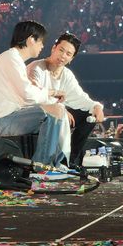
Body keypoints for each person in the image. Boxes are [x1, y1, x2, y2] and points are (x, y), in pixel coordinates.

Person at [0, 20, 70, 170]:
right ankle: (42, 166)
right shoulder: (11, 59)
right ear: (30, 39)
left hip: (8, 117)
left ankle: (53, 163)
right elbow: (27, 94)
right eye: (41, 42)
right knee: (56, 111)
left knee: (57, 109)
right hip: (3, 121)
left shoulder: (13, 59)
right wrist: (51, 94)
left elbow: (27, 95)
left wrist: (51, 97)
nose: (42, 47)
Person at [27, 32, 105, 166]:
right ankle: (52, 162)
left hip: (58, 114)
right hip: (35, 115)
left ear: (72, 59)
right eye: (61, 50)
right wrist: (60, 109)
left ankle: (70, 161)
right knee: (59, 113)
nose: (63, 56)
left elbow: (80, 97)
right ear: (53, 48)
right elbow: (33, 97)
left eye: (68, 54)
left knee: (89, 115)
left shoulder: (67, 75)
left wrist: (97, 106)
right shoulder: (36, 68)